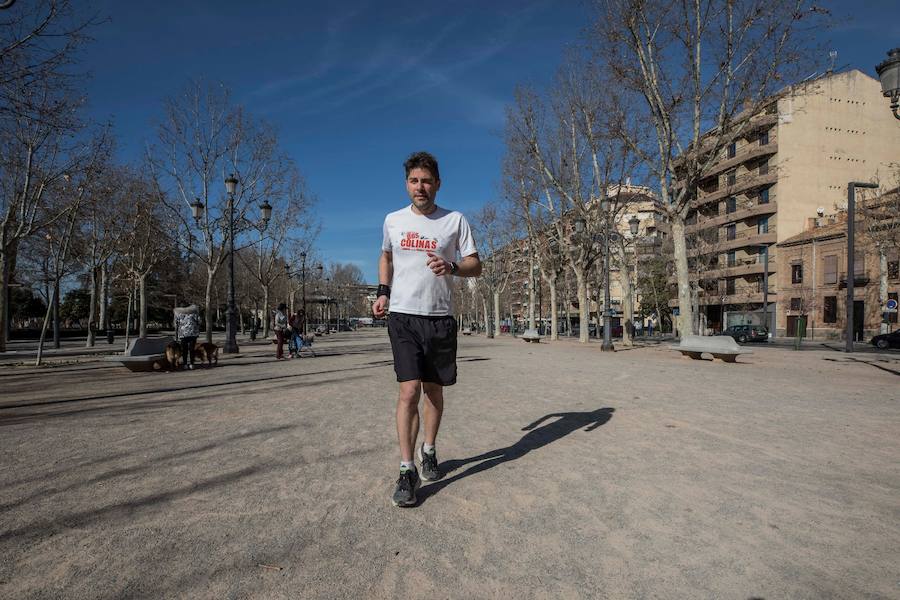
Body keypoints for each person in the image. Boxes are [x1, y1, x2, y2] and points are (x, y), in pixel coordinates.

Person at [372, 151, 482, 508]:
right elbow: (386, 255)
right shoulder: (393, 220)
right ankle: (407, 470)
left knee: (434, 393)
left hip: (439, 318)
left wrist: (451, 266)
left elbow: (475, 265)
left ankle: (429, 450)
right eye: (414, 181)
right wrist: (383, 292)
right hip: (402, 316)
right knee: (409, 392)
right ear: (407, 184)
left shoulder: (455, 221)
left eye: (427, 181)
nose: (420, 187)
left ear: (438, 184)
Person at [174, 302, 200, 370]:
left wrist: (176, 336)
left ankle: (185, 364)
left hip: (183, 334)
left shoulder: (178, 313)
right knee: (192, 349)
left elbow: (176, 324)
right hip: (193, 334)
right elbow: (199, 321)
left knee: (184, 350)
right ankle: (192, 363)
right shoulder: (194, 313)